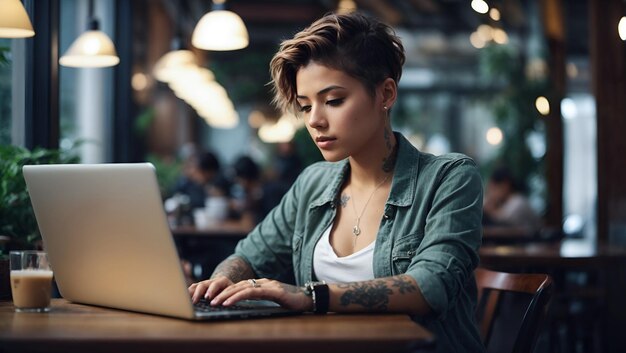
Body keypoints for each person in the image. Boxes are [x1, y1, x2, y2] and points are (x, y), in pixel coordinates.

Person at [189, 12, 484, 353]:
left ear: (385, 94)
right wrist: (221, 282)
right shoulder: (313, 183)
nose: (315, 120)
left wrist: (308, 296)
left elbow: (431, 286)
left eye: (333, 101)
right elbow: (250, 257)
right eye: (304, 105)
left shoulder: (449, 179)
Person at [483, 166, 540, 231]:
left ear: (505, 185)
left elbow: (505, 220)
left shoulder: (518, 201)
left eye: (493, 188)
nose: (490, 192)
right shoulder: (502, 202)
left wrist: (490, 208)